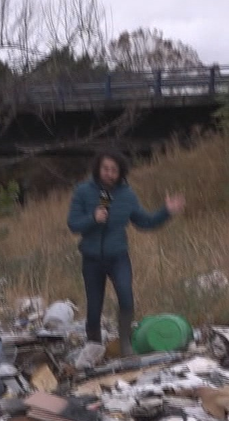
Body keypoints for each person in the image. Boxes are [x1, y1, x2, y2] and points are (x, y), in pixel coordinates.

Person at [67, 150, 184, 355]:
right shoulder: (83, 191)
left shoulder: (127, 195)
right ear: (98, 169)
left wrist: (166, 212)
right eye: (105, 169)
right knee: (94, 308)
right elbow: (73, 224)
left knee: (126, 297)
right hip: (92, 259)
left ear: (120, 172)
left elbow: (145, 222)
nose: (109, 174)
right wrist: (93, 218)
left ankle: (125, 345)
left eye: (114, 170)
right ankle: (94, 348)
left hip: (118, 256)